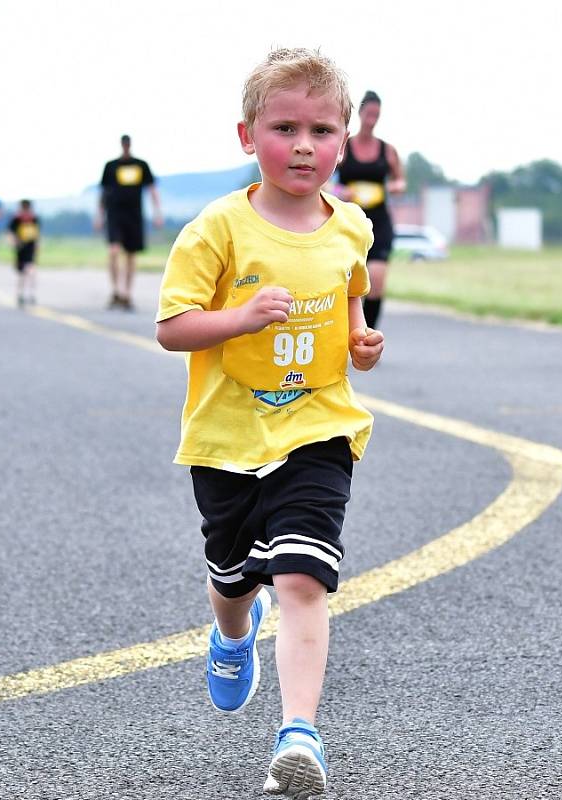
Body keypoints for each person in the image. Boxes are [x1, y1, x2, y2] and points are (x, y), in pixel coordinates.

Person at [156, 48, 384, 798]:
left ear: (343, 140)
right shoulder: (216, 229)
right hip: (227, 437)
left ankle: (300, 735)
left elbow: (350, 293)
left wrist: (359, 338)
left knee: (301, 576)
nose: (304, 144)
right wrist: (240, 317)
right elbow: (173, 327)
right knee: (232, 575)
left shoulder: (350, 226)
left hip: (319, 427)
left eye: (322, 129)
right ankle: (230, 633)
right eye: (284, 127)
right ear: (248, 136)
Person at [334, 90, 406, 328]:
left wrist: (395, 186)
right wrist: (338, 191)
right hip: (347, 220)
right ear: (361, 113)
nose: (372, 119)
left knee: (375, 281)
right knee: (346, 284)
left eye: (377, 114)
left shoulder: (388, 150)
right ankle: (343, 331)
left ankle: (367, 335)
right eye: (369, 113)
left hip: (378, 220)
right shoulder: (345, 146)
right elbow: (323, 180)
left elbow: (400, 180)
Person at [96, 134, 162, 310]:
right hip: (115, 214)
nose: (125, 146)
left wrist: (157, 213)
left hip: (134, 215)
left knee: (131, 255)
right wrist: (99, 215)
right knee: (114, 251)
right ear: (121, 145)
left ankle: (127, 293)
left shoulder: (141, 165)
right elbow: (103, 192)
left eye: (127, 144)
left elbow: (152, 189)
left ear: (130, 145)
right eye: (123, 144)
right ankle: (116, 290)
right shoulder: (111, 166)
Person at [8, 199, 40, 306]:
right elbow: (11, 233)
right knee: (22, 274)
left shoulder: (33, 218)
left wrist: (37, 245)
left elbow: (36, 235)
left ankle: (30, 294)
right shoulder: (17, 219)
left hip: (29, 248)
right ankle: (21, 294)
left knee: (30, 271)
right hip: (21, 249)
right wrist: (14, 242)